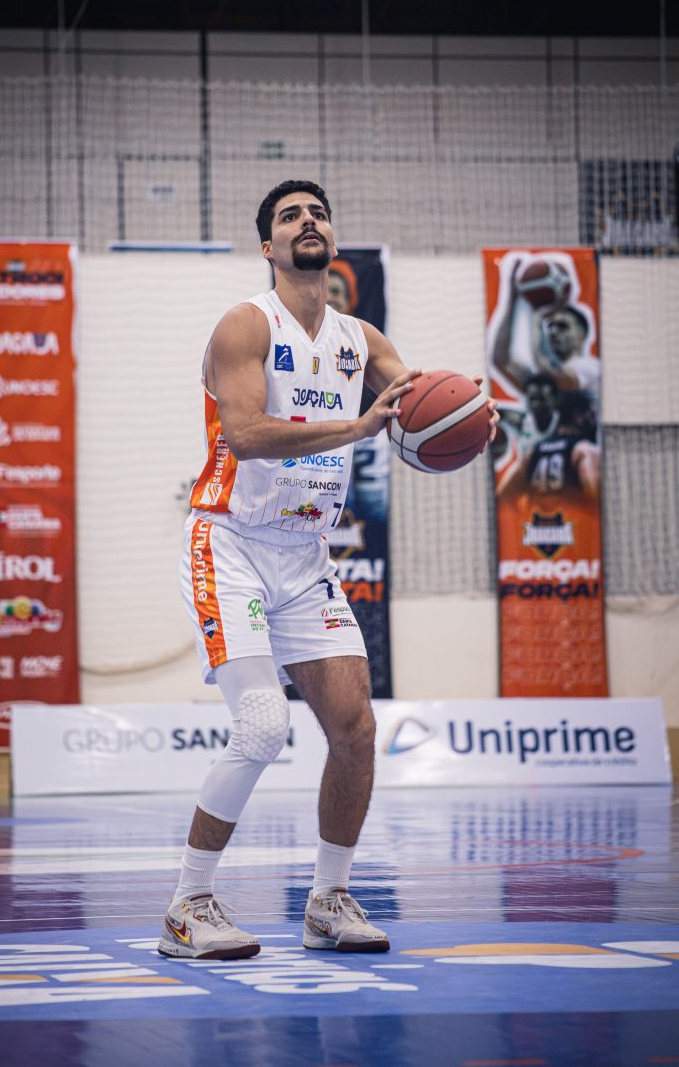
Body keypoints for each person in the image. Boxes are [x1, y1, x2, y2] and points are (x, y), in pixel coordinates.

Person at [159, 179, 498, 963]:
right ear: (269, 246)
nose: (306, 221)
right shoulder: (246, 325)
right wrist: (359, 425)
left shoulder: (361, 339)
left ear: (332, 240)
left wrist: (471, 416)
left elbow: (415, 403)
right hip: (228, 544)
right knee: (262, 725)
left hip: (304, 557)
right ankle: (187, 904)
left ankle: (327, 901)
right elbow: (246, 433)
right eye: (290, 216)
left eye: (317, 213)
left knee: (355, 732)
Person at [492, 260, 601, 401]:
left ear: (582, 335)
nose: (553, 331)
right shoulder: (545, 381)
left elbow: (551, 373)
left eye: (563, 326)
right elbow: (500, 360)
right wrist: (512, 300)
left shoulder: (589, 366)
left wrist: (538, 317)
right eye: (550, 326)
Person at [496, 389, 600, 503]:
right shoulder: (583, 450)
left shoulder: (533, 452)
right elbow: (594, 495)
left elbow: (504, 495)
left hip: (537, 513)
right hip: (573, 512)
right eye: (591, 415)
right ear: (579, 418)